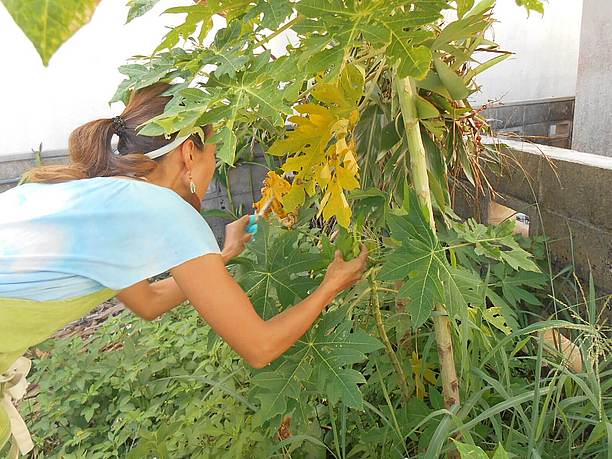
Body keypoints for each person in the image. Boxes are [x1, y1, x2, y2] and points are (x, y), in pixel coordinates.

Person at [0, 83, 367, 456]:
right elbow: (260, 347)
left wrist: (223, 253)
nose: (213, 170)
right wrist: (331, 286)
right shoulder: (166, 211)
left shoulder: (99, 193)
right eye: (214, 156)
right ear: (189, 153)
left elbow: (147, 301)